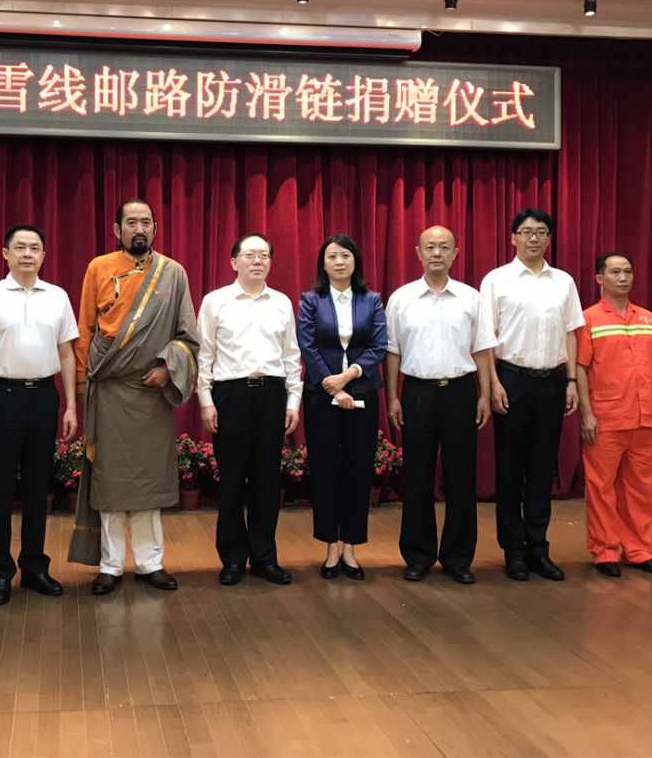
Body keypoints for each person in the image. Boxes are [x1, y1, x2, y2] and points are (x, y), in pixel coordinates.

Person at [68, 199, 199, 596]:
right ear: (117, 229)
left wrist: (168, 368)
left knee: (148, 484)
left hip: (150, 393)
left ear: (155, 228)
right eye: (131, 222)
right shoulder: (98, 267)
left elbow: (188, 336)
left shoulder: (173, 273)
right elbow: (85, 331)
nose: (139, 228)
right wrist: (81, 387)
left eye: (146, 222)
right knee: (110, 484)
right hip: (108, 391)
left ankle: (149, 563)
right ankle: (109, 566)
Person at [0, 224, 79, 607]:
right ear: (5, 253)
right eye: (20, 247)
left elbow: (66, 353)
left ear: (44, 255)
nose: (27, 254)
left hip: (44, 397)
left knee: (37, 486)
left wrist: (70, 405)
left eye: (34, 248)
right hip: (2, 396)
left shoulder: (58, 297)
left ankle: (34, 568)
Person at [384, 226, 495, 585]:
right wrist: (393, 396)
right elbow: (392, 351)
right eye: (429, 247)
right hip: (417, 392)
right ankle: (417, 555)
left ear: (455, 254)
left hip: (461, 392)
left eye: (444, 247)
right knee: (416, 477)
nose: (436, 253)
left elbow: (482, 349)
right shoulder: (401, 298)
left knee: (461, 477)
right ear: (418, 253)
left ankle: (458, 558)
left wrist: (484, 394)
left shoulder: (470, 298)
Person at [480, 207, 584, 582]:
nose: (534, 238)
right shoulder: (497, 280)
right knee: (510, 469)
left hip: (552, 381)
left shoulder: (564, 282)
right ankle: (513, 551)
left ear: (550, 238)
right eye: (526, 231)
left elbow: (571, 332)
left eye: (541, 231)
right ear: (513, 238)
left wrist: (571, 381)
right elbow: (485, 338)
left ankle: (538, 548)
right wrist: (493, 383)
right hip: (512, 378)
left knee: (542, 469)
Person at [197, 233, 302, 586]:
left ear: (270, 262)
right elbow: (204, 355)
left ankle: (264, 558)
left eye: (264, 256)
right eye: (250, 255)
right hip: (231, 395)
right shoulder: (215, 302)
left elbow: (291, 356)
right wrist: (206, 400)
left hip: (271, 394)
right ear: (234, 262)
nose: (257, 261)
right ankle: (231, 558)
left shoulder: (281, 302)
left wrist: (293, 401)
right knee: (231, 481)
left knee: (267, 481)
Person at [575, 252, 652, 578]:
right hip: (606, 417)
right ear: (599, 278)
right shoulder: (589, 319)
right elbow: (580, 368)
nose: (623, 278)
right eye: (615, 272)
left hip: (646, 417)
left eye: (628, 272)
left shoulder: (648, 319)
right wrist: (586, 413)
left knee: (642, 488)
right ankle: (605, 551)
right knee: (601, 487)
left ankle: (638, 550)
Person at [297, 234, 387, 580]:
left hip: (362, 391)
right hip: (321, 396)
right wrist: (332, 385)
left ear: (355, 261)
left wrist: (348, 377)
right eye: (332, 256)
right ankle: (330, 547)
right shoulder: (310, 301)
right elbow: (307, 346)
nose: (339, 262)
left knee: (358, 469)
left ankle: (350, 547)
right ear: (323, 263)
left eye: (345, 255)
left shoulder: (372, 300)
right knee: (324, 469)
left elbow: (379, 345)